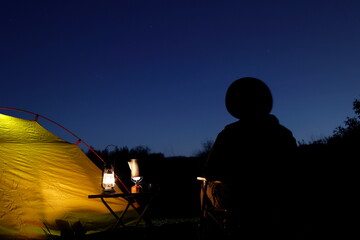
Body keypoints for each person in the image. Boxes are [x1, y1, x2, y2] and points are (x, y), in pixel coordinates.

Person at [203, 77, 297, 238]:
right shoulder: (283, 134)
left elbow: (211, 170)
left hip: (239, 198)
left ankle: (208, 229)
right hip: (277, 197)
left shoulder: (228, 135)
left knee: (204, 183)